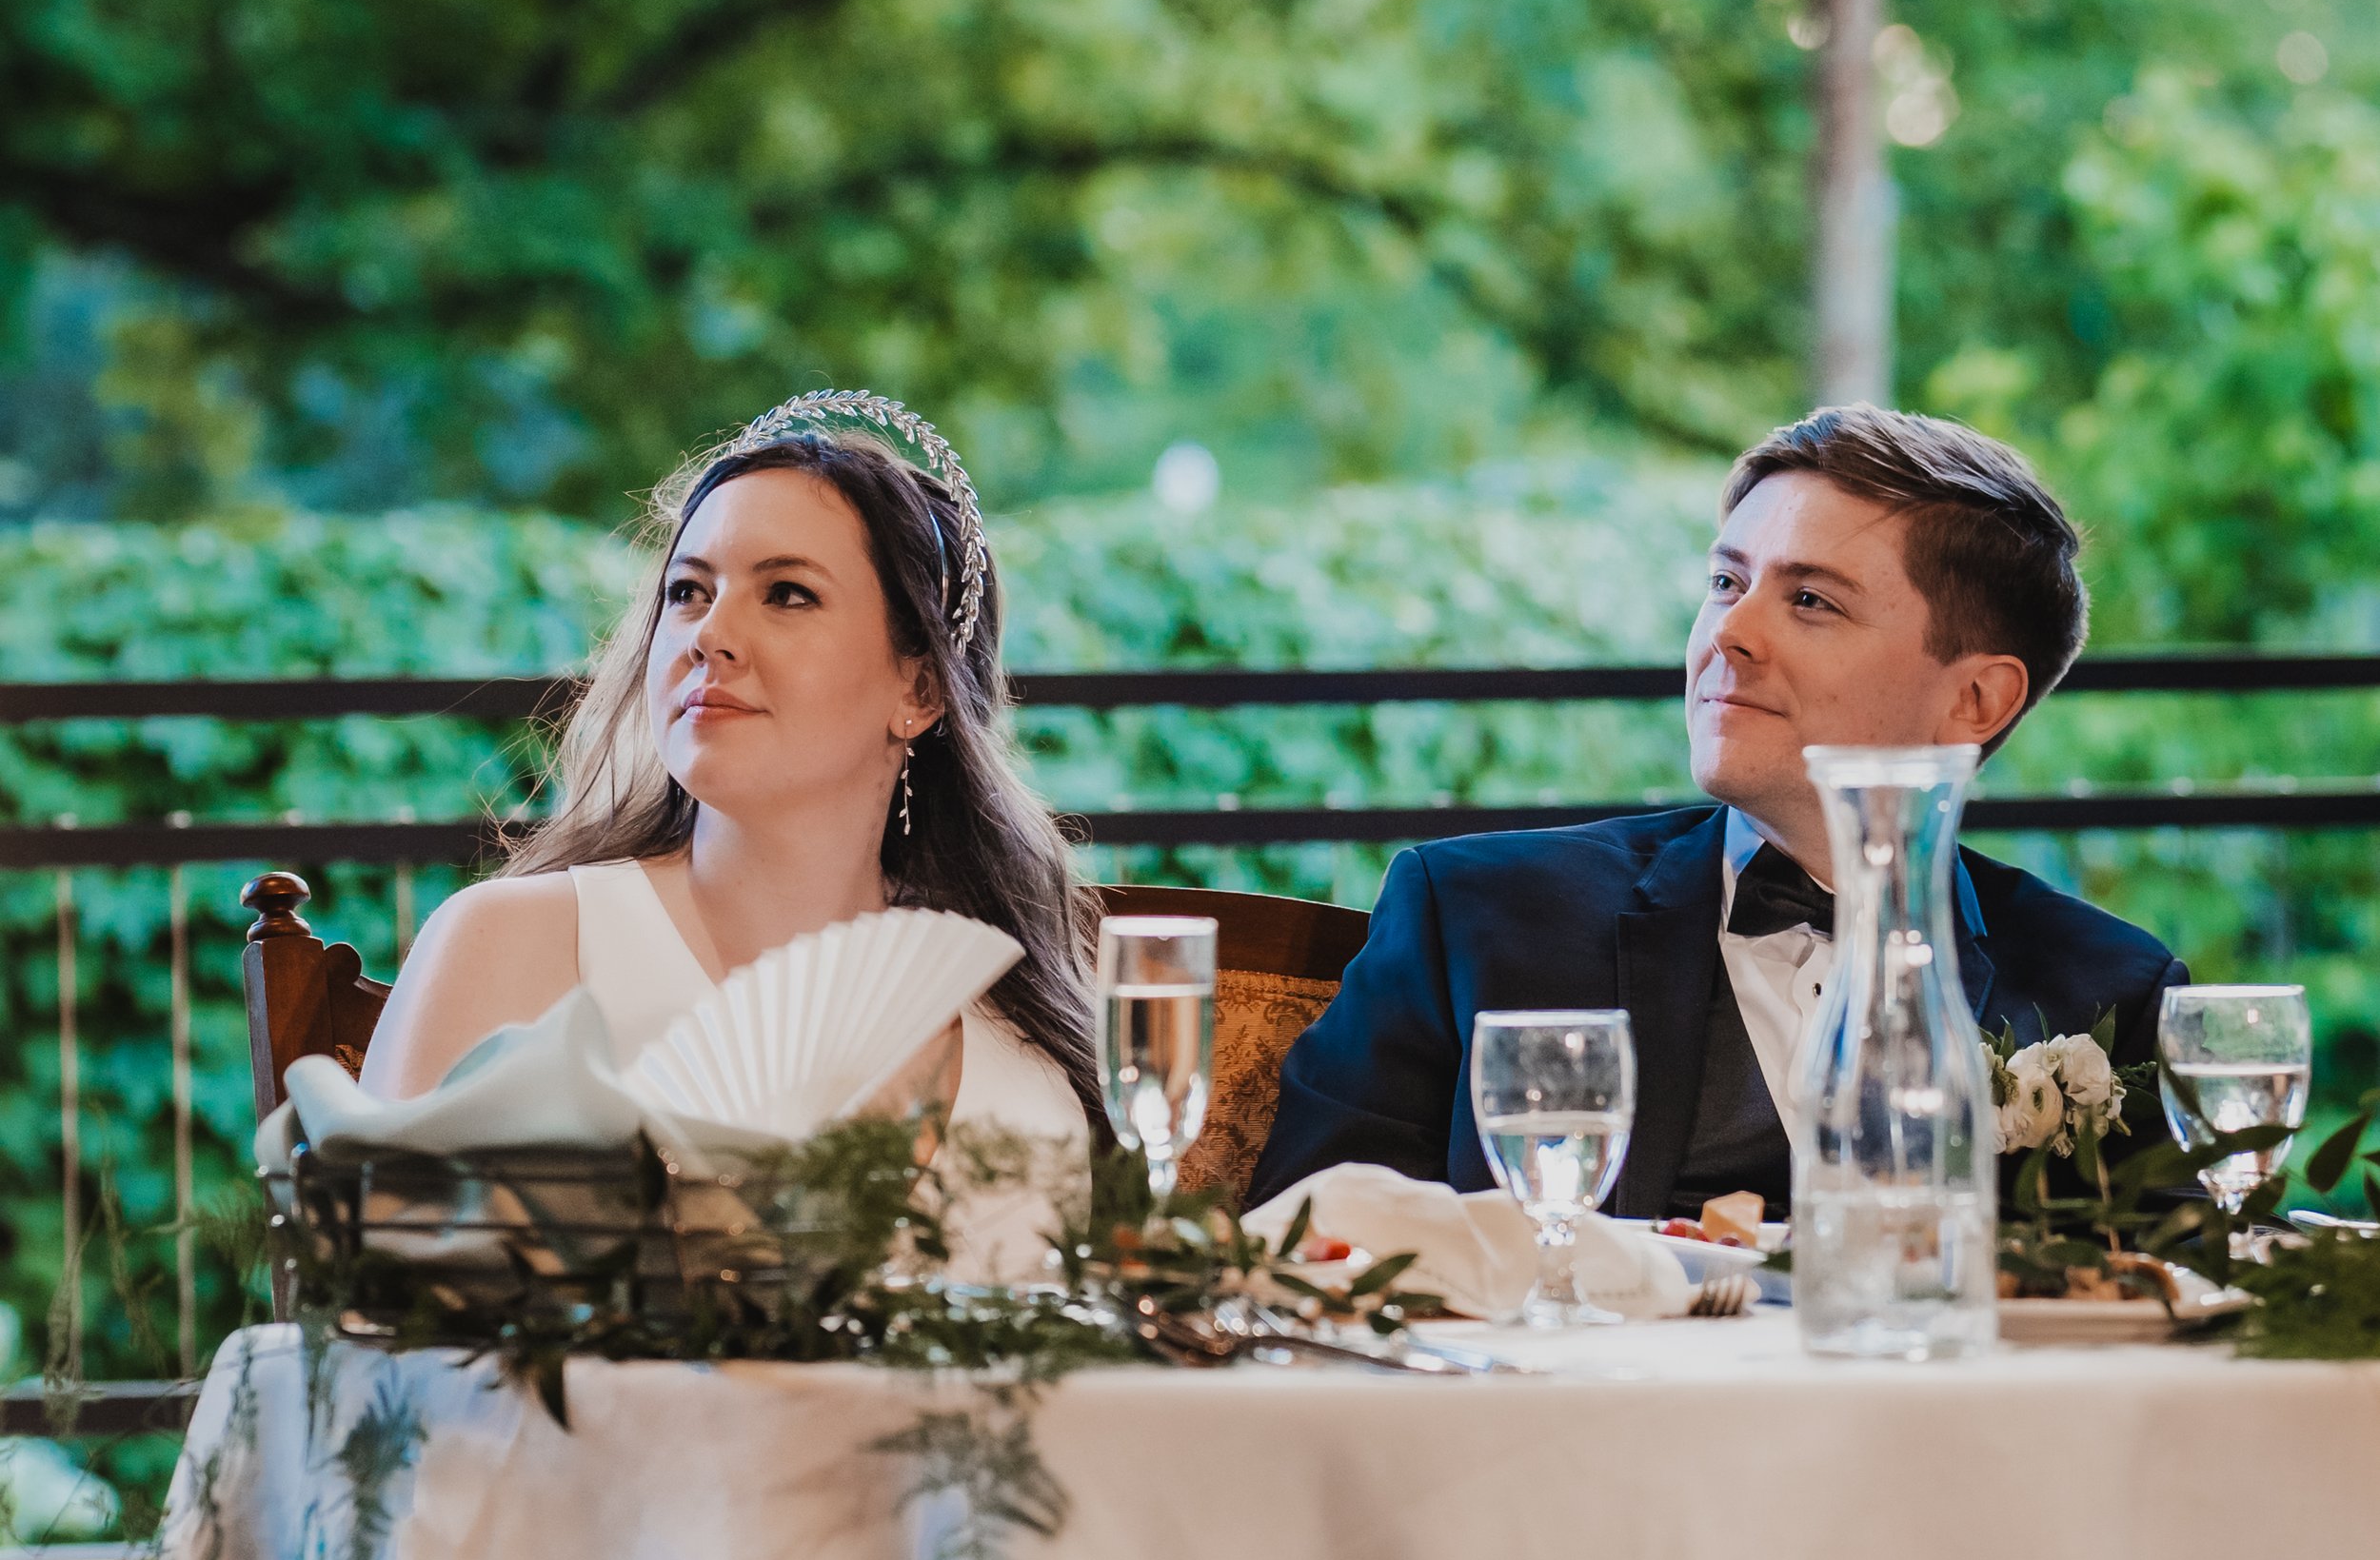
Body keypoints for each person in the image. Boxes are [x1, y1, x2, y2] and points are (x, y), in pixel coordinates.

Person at [1248, 406, 2186, 1220]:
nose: (1729, 634)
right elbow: (1304, 1247)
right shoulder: (1476, 917)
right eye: (1726, 582)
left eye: (1810, 600)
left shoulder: (2109, 993)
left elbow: (2182, 1318)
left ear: (1975, 701)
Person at [364, 390, 1101, 1162]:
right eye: (688, 591)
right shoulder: (506, 942)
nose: (710, 634)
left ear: (919, 690)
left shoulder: (1024, 1017)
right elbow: (372, 1272)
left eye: (788, 594)